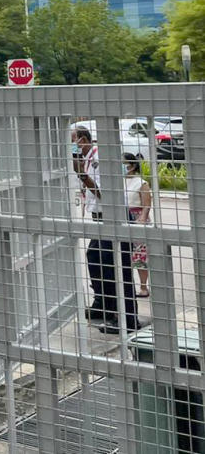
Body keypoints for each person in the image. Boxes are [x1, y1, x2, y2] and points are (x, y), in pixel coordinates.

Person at [77, 128, 142, 334]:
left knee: (118, 268)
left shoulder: (98, 160)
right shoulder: (88, 158)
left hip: (113, 217)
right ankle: (104, 303)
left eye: (74, 141)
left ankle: (127, 319)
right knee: (95, 257)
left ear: (83, 140)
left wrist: (83, 176)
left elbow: (105, 194)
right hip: (101, 219)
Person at [125, 152, 152, 297]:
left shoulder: (141, 183)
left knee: (140, 256)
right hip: (123, 218)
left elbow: (147, 205)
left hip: (137, 219)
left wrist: (141, 219)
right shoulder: (118, 181)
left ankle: (143, 287)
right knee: (125, 255)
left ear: (132, 166)